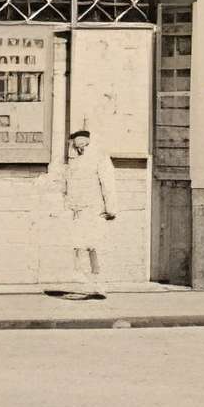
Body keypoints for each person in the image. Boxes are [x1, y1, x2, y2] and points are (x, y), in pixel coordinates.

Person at [52, 128, 114, 301]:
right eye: (77, 144)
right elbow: (69, 186)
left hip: (94, 210)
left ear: (88, 142)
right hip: (78, 210)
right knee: (78, 245)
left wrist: (111, 208)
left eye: (83, 144)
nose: (79, 147)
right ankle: (84, 285)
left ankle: (99, 285)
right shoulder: (75, 162)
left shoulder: (100, 158)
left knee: (94, 247)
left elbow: (108, 183)